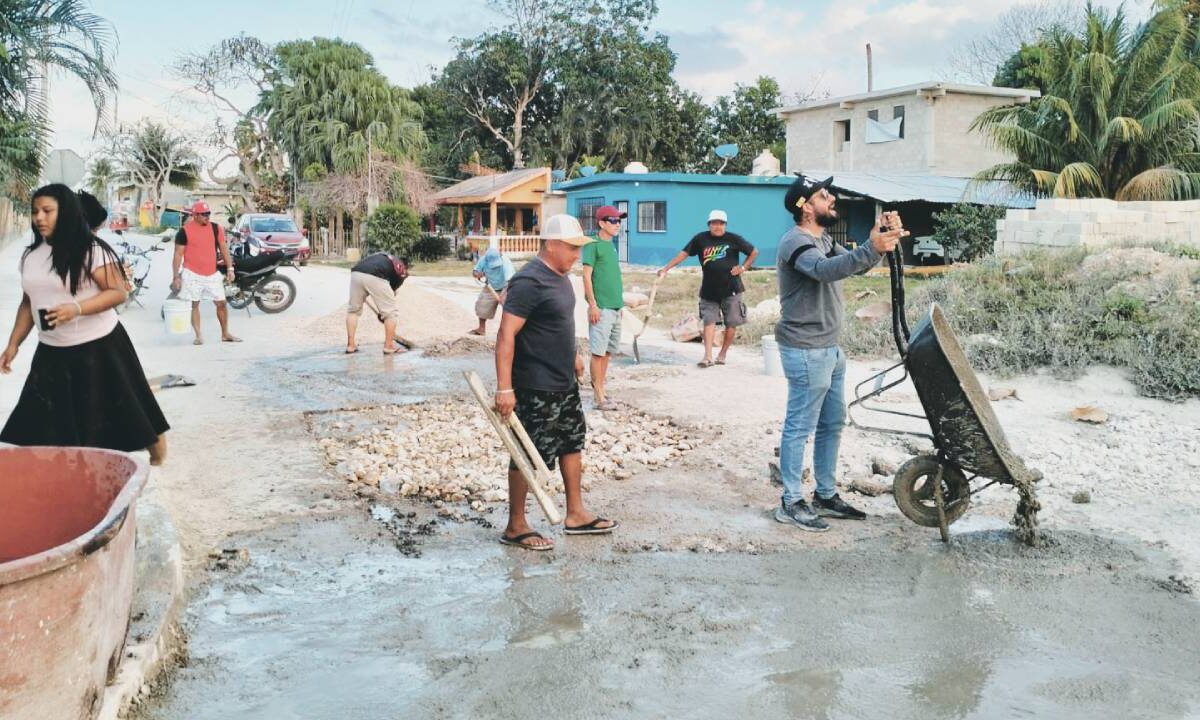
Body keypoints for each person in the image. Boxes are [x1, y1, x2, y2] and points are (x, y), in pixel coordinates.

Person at [773, 174, 906, 531]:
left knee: (832, 424)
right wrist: (871, 247)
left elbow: (856, 265)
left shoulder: (824, 238)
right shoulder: (796, 242)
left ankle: (825, 495)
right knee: (799, 427)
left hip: (829, 349)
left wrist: (880, 239)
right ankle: (790, 501)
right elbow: (823, 271)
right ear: (805, 207)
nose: (831, 198)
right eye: (822, 195)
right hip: (805, 350)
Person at [1, 183, 169, 464]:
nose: (39, 217)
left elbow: (118, 292)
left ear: (65, 212)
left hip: (101, 346)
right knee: (43, 417)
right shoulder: (30, 257)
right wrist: (13, 344)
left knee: (130, 405)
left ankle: (157, 458)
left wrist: (76, 309)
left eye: (47, 211)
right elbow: (28, 303)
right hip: (52, 351)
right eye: (35, 212)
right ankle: (69, 472)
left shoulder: (91, 250)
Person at [494, 213, 618, 551]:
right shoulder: (529, 281)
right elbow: (506, 335)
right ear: (551, 245)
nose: (577, 255)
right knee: (528, 454)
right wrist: (504, 388)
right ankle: (516, 525)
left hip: (564, 382)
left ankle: (575, 514)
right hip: (535, 385)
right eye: (572, 248)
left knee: (571, 443)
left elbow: (561, 322)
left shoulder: (561, 278)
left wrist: (575, 354)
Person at [657, 209, 758, 367]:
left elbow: (753, 252)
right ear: (709, 224)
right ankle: (708, 356)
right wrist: (666, 268)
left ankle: (723, 353)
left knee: (731, 323)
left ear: (725, 224)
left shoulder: (733, 239)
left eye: (721, 223)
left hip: (732, 289)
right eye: (714, 223)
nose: (717, 226)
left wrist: (743, 268)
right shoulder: (700, 239)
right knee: (708, 321)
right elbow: (683, 254)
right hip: (709, 290)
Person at [171, 201, 239, 345]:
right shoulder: (184, 231)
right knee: (194, 304)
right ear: (194, 215)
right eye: (203, 215)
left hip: (212, 273)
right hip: (192, 273)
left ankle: (225, 333)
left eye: (208, 214)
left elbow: (224, 248)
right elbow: (178, 255)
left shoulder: (216, 228)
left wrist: (230, 268)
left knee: (221, 303)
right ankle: (198, 335)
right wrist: (176, 276)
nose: (207, 217)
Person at [581, 205, 625, 410]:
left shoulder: (612, 245)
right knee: (598, 352)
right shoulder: (593, 244)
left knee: (608, 352)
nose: (618, 224)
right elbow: (587, 276)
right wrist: (593, 305)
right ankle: (598, 396)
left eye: (619, 221)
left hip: (615, 307)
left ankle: (602, 391)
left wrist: (620, 305)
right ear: (601, 223)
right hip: (602, 308)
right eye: (613, 221)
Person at [345, 251, 409, 354]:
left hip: (356, 272)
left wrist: (363, 295)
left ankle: (351, 346)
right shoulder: (401, 267)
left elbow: (378, 289)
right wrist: (385, 315)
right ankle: (389, 346)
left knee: (353, 311)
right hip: (375, 274)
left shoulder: (383, 256)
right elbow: (390, 293)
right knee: (391, 314)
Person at [469, 247, 514, 336]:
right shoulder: (484, 260)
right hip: (490, 287)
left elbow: (510, 281)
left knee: (509, 309)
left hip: (506, 287)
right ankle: (481, 329)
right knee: (482, 305)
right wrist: (478, 274)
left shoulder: (505, 262)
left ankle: (508, 332)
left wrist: (503, 295)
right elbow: (474, 272)